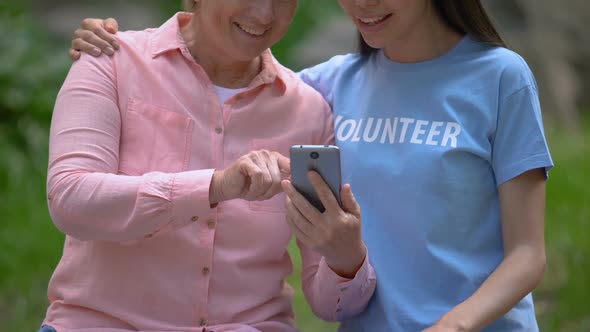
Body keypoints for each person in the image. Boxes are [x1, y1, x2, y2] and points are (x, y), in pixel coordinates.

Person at [71, 0, 554, 331]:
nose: (363, 4)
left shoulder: (500, 78)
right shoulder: (327, 87)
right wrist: (118, 49)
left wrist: (455, 324)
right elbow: (223, 89)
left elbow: (528, 254)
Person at [41, 1, 378, 332]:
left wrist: (346, 260)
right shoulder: (111, 61)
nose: (265, 14)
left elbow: (329, 306)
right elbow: (70, 198)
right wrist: (215, 186)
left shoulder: (310, 111)